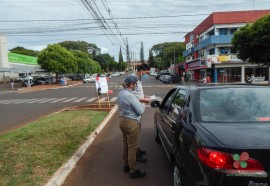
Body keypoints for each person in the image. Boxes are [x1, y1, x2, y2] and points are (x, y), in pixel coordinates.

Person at [117, 75, 146, 179]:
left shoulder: (121, 93)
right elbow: (140, 111)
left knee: (125, 143)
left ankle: (126, 165)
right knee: (132, 147)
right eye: (135, 84)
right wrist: (143, 102)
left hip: (122, 120)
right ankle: (133, 170)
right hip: (131, 122)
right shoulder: (130, 96)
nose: (135, 86)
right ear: (132, 84)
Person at [131, 63, 151, 162]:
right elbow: (131, 97)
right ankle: (134, 157)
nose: (147, 75)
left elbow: (137, 93)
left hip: (138, 110)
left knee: (136, 133)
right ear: (141, 71)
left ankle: (136, 150)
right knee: (133, 135)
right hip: (134, 112)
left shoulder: (138, 79)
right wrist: (144, 100)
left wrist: (144, 96)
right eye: (147, 73)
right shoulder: (132, 79)